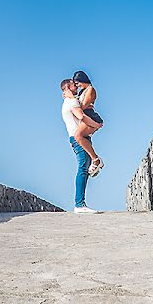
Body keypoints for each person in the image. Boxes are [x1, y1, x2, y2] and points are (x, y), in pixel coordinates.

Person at [61, 78, 100, 214]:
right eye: (73, 85)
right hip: (78, 138)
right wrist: (97, 125)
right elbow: (81, 116)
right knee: (83, 168)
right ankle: (79, 204)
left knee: (84, 168)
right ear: (67, 88)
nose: (76, 86)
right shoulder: (71, 102)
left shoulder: (69, 101)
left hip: (80, 138)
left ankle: (80, 203)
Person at [72, 70, 104, 175]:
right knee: (81, 138)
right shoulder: (82, 91)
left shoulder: (90, 89)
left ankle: (95, 159)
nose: (77, 85)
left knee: (78, 136)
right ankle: (93, 161)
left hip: (90, 116)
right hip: (85, 117)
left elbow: (83, 106)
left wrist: (72, 99)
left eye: (77, 82)